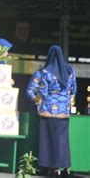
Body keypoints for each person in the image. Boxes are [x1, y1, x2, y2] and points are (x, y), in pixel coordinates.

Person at [26, 45, 76, 178]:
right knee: (62, 140)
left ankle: (48, 167)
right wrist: (67, 102)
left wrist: (38, 101)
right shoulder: (70, 71)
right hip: (64, 112)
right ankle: (63, 166)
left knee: (47, 140)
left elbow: (30, 90)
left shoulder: (43, 73)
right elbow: (73, 90)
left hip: (47, 111)